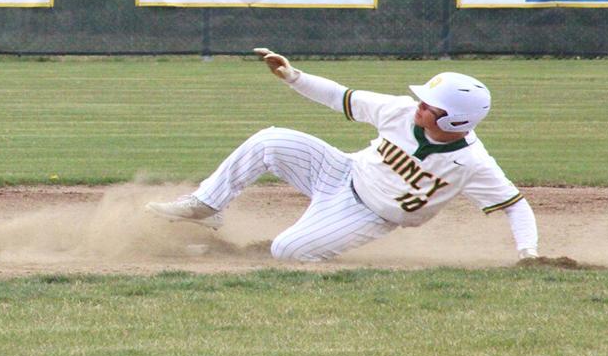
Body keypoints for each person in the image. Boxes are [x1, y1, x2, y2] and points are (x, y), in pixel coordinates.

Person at [145, 48, 538, 262]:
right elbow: (339, 97)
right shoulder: (400, 110)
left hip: (369, 214)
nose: (420, 105)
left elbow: (515, 207)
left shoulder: (472, 163)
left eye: (430, 105)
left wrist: (529, 253)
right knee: (271, 140)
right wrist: (293, 76)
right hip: (341, 170)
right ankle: (207, 204)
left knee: (287, 251)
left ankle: (297, 248)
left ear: (454, 121)